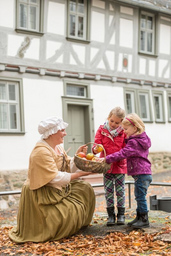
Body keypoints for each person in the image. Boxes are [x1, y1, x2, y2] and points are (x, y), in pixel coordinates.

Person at [9, 116, 95, 243]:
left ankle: (76, 225)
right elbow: (55, 177)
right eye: (62, 131)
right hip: (41, 192)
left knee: (84, 188)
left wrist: (78, 157)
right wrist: (81, 174)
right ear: (51, 133)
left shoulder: (57, 148)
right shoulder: (41, 152)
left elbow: (66, 167)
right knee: (66, 214)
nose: (65, 133)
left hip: (55, 188)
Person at [104, 113, 152, 228]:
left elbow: (123, 153)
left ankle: (144, 219)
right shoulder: (141, 139)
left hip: (141, 173)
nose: (124, 131)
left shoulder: (134, 142)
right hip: (143, 173)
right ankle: (139, 217)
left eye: (126, 129)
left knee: (140, 196)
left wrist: (106, 158)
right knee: (139, 195)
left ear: (134, 128)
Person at [93, 107, 127, 226]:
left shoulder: (124, 132)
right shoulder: (102, 130)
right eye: (112, 121)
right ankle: (111, 215)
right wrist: (95, 149)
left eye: (117, 123)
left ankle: (121, 214)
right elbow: (97, 144)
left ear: (121, 122)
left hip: (119, 165)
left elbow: (126, 148)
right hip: (106, 165)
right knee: (108, 191)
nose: (113, 124)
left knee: (120, 191)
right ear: (109, 118)